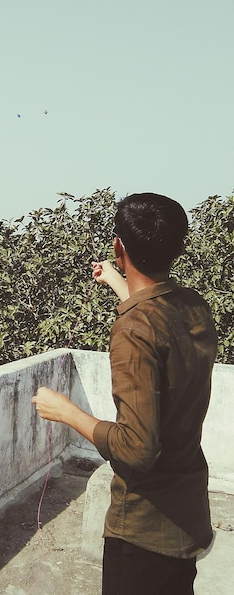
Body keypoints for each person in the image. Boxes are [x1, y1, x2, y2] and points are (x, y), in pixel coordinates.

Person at [32, 193, 218, 595]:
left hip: (144, 532)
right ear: (179, 247)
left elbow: (136, 449)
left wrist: (66, 411)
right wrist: (120, 283)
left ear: (119, 246)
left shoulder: (134, 329)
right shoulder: (193, 306)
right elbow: (158, 328)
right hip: (187, 516)